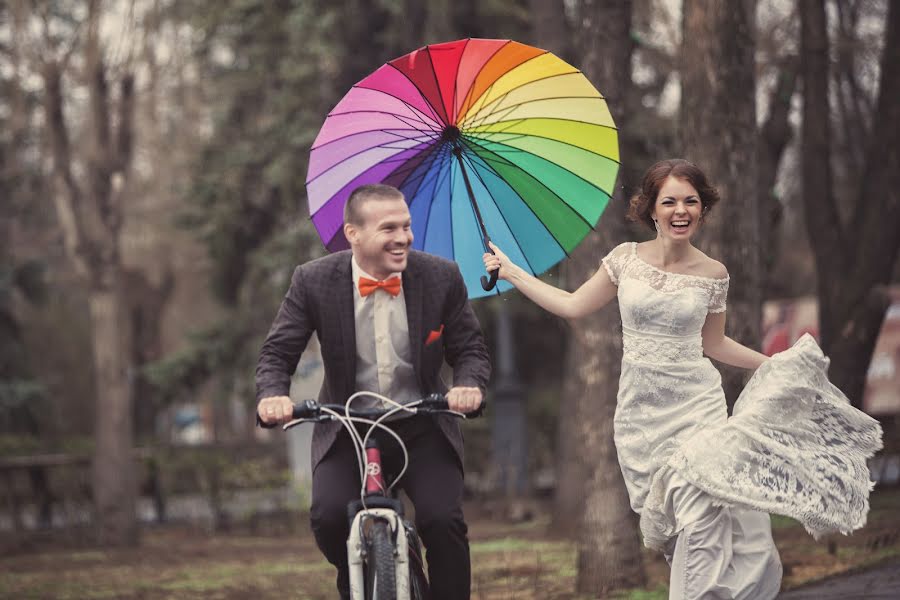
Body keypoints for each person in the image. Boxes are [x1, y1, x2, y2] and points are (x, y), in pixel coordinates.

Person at [483, 159, 882, 600]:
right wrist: (512, 272)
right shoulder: (624, 261)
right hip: (642, 418)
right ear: (651, 209)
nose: (680, 210)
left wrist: (771, 363)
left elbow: (715, 344)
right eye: (669, 201)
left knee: (700, 518)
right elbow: (574, 305)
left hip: (699, 409)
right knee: (685, 534)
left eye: (690, 201)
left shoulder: (713, 274)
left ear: (702, 209)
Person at [257, 183, 490, 600]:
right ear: (353, 234)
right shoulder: (314, 281)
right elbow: (278, 352)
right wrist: (273, 395)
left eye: (406, 226)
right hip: (346, 426)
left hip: (423, 423)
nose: (403, 237)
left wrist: (467, 385)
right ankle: (360, 579)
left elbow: (470, 348)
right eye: (388, 228)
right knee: (329, 519)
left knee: (442, 521)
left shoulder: (440, 276)